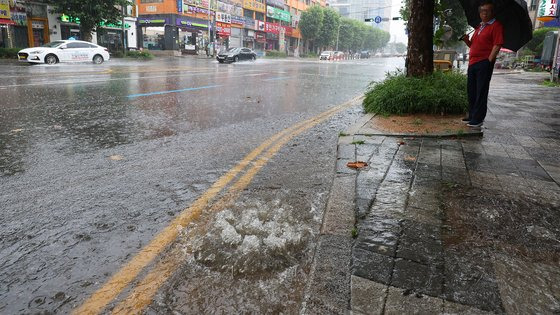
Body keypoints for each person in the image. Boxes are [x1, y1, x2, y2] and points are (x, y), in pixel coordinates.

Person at [461, 0, 503, 128]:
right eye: (482, 11)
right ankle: (472, 115)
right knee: (472, 90)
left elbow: (498, 44)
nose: (484, 13)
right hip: (473, 63)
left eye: (487, 11)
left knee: (481, 91)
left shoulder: (496, 26)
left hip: (483, 63)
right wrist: (466, 40)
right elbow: (473, 45)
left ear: (492, 12)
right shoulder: (479, 27)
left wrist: (489, 60)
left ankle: (478, 118)